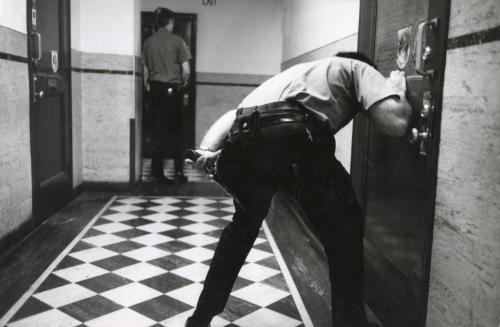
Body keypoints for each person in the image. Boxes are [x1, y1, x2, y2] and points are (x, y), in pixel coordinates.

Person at [186, 52, 412, 327]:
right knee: (345, 231)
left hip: (242, 139)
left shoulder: (297, 73)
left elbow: (232, 117)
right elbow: (395, 123)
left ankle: (199, 319)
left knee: (241, 230)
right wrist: (396, 92)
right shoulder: (358, 68)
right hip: (296, 139)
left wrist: (209, 152)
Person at [143, 7, 192, 184]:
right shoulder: (177, 41)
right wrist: (182, 84)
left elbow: (145, 71)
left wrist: (148, 90)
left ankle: (157, 174)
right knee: (176, 132)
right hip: (172, 91)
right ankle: (178, 173)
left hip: (154, 90)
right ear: (170, 22)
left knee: (157, 132)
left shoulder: (148, 42)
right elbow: (186, 70)